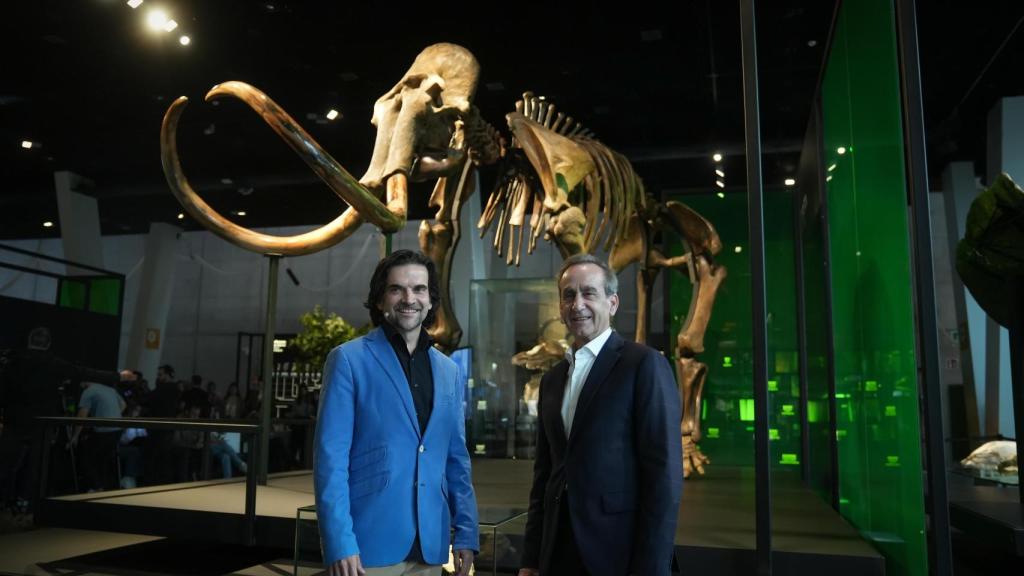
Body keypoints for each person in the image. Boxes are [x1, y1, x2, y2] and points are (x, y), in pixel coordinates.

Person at [314, 250, 478, 576]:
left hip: (431, 545)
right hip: (367, 546)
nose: (409, 298)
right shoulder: (348, 360)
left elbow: (456, 459)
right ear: (380, 300)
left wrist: (467, 531)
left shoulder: (448, 371)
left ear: (431, 300)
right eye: (396, 289)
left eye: (419, 289)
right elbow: (330, 459)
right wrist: (339, 542)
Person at [518, 254, 682, 576]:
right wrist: (530, 558)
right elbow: (545, 476)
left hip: (618, 552)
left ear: (613, 302)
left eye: (589, 293)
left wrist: (652, 568)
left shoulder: (643, 365)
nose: (577, 304)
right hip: (557, 551)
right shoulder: (552, 380)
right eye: (569, 295)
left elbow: (664, 478)